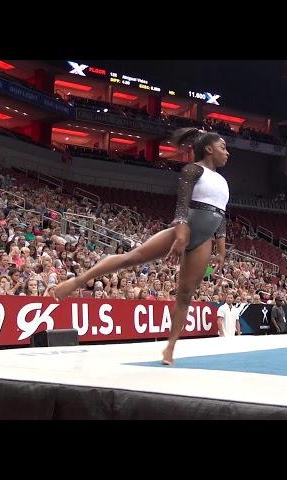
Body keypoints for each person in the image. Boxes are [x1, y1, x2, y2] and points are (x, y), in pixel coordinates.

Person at [50, 128, 230, 365]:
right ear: (208, 149)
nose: (227, 153)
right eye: (223, 147)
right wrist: (181, 233)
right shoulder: (193, 170)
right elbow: (182, 207)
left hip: (203, 241)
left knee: (185, 294)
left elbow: (221, 213)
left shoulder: (223, 181)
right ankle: (75, 282)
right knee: (131, 258)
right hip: (182, 230)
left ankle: (170, 348)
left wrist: (221, 247)